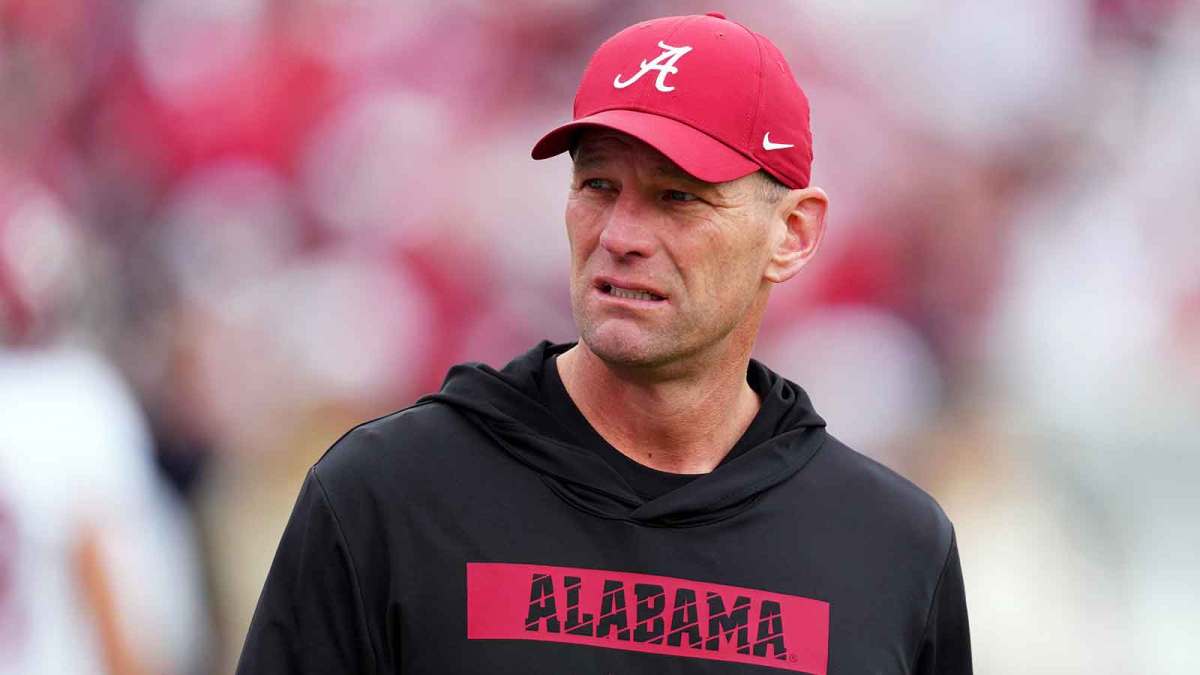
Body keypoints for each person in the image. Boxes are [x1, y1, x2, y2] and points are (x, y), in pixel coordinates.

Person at [237, 12, 970, 674]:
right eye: (596, 185)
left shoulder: (891, 550)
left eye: (677, 197)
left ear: (793, 233)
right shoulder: (391, 496)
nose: (619, 237)